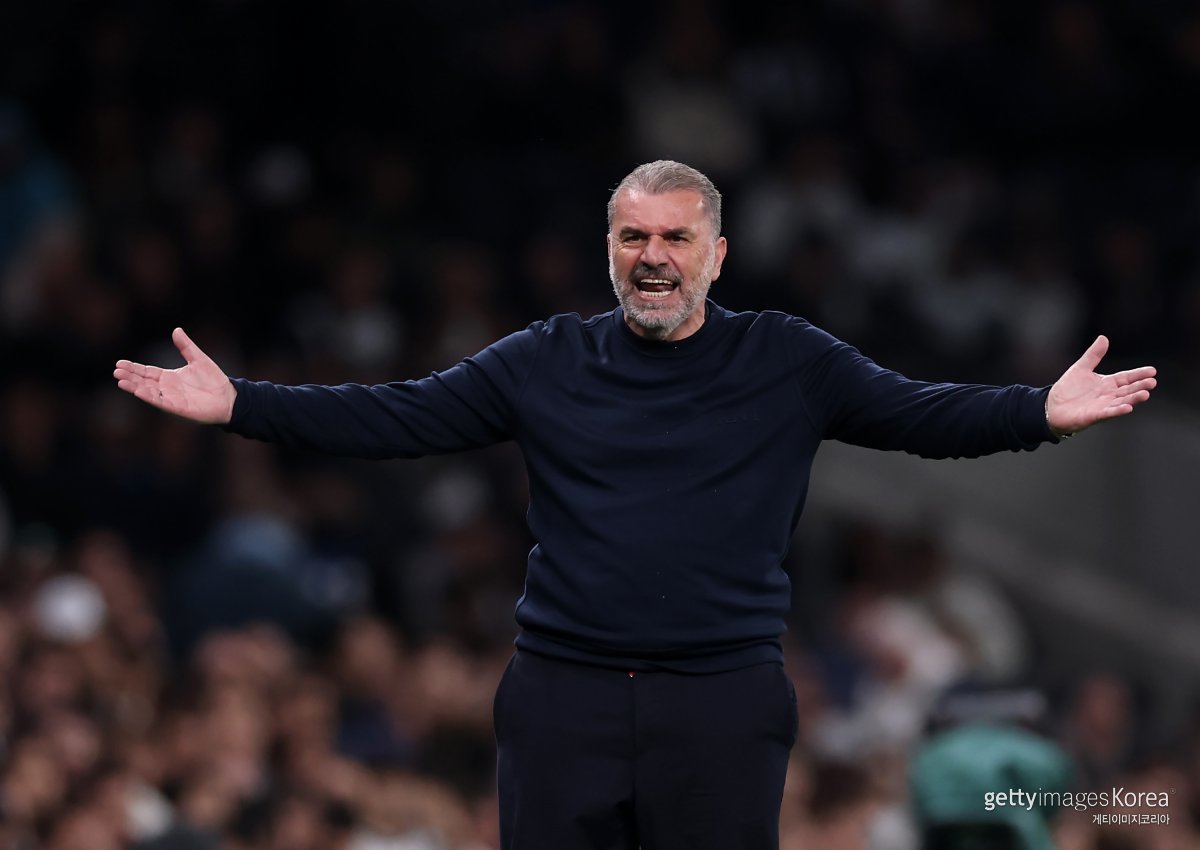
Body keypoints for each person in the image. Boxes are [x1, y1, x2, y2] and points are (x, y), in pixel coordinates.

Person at [113, 160, 1157, 850]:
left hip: (721, 700)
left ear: (717, 255)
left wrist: (1038, 411)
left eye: (673, 237)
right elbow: (398, 414)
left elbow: (920, 413)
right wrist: (242, 403)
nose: (651, 256)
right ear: (609, 249)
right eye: (631, 237)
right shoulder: (546, 358)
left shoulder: (787, 359)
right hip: (562, 696)